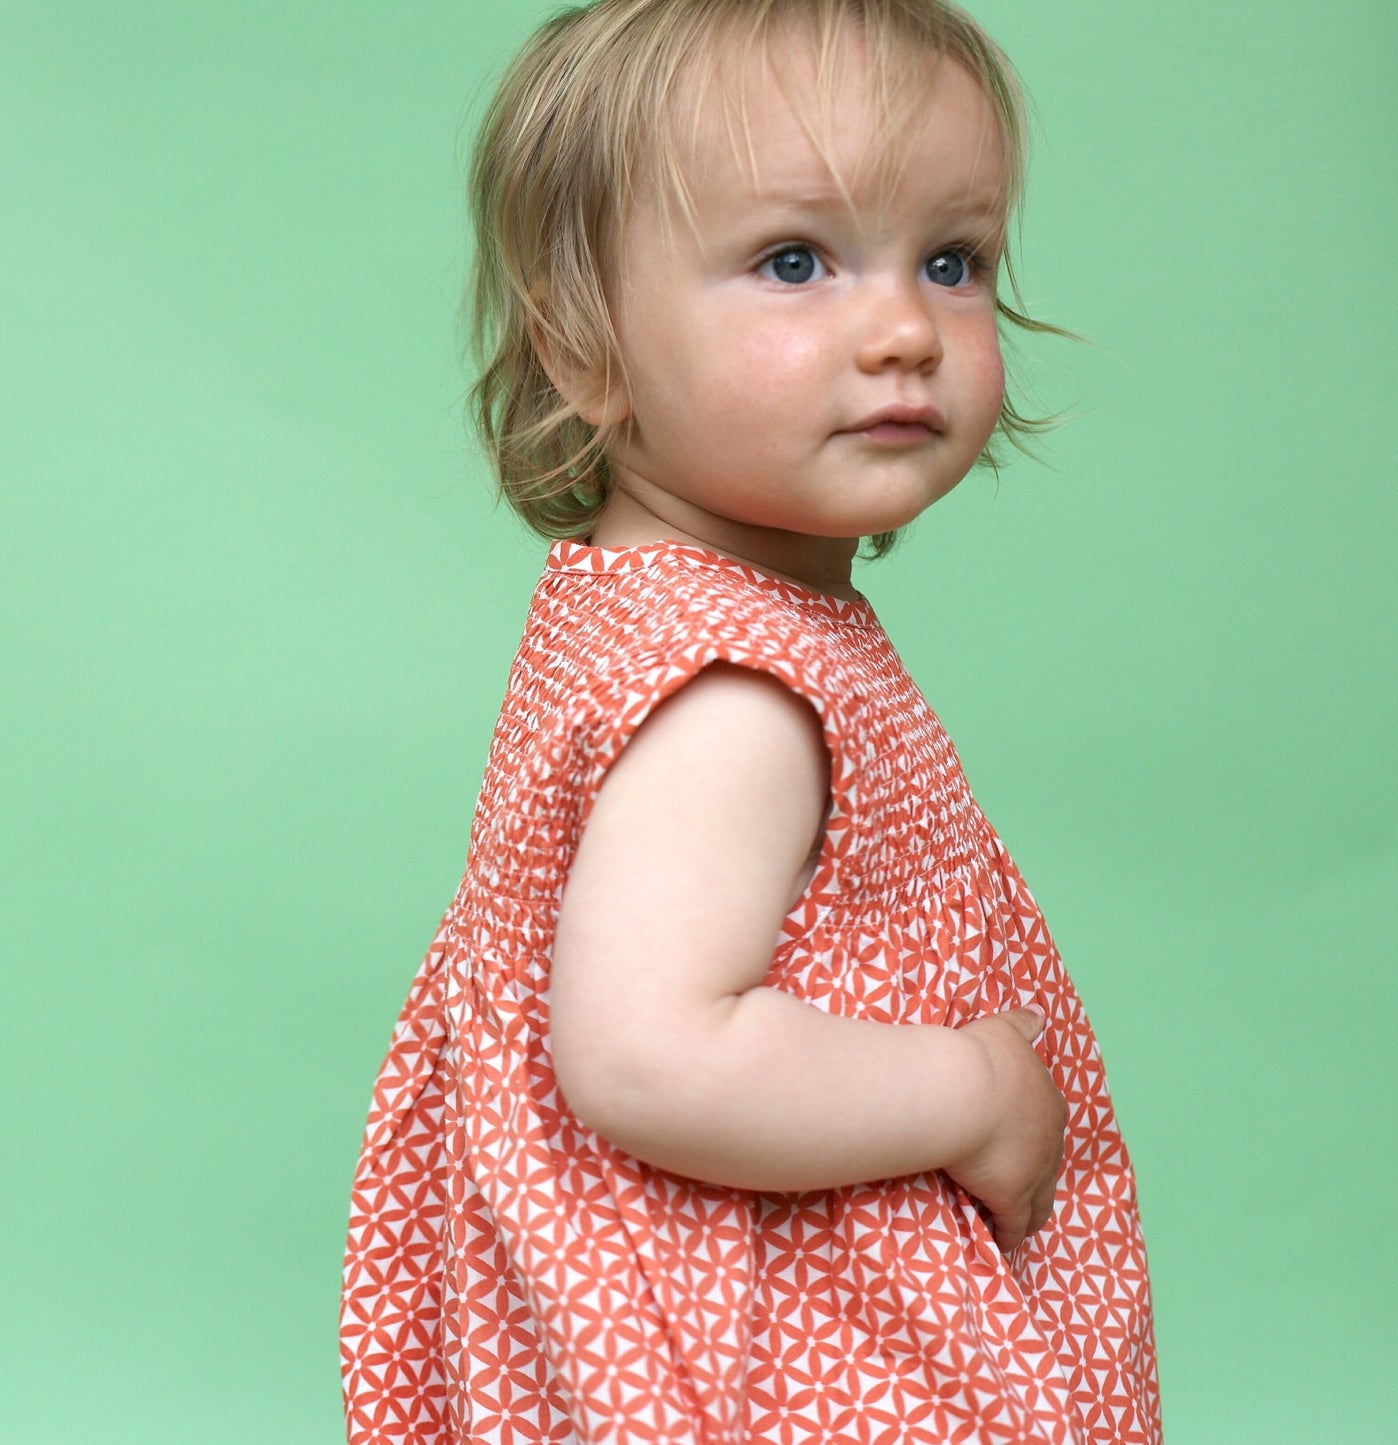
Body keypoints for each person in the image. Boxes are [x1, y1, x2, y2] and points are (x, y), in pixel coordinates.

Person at [339, 1, 1160, 1441]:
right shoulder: (733, 691)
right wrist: (972, 1089)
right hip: (796, 1355)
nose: (904, 330)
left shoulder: (664, 610)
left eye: (952, 261)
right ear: (583, 346)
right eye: (794, 261)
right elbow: (650, 1055)